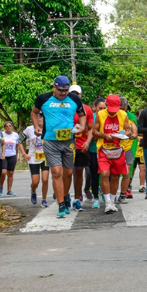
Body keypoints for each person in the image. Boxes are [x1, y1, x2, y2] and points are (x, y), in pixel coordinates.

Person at [32, 76, 87, 219]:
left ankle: (65, 194)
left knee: (68, 173)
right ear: (54, 87)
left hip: (68, 141)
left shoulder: (74, 99)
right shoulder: (43, 99)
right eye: (61, 90)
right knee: (56, 172)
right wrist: (36, 126)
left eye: (66, 90)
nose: (63, 93)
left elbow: (82, 115)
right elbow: (34, 112)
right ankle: (61, 203)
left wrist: (81, 127)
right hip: (50, 141)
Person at [92, 94, 132, 214]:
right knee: (104, 173)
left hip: (118, 149)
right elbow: (94, 131)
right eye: (111, 110)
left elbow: (128, 130)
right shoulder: (100, 114)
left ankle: (112, 201)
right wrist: (105, 135)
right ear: (107, 105)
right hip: (104, 148)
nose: (113, 113)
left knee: (115, 176)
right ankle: (108, 202)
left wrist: (124, 133)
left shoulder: (123, 114)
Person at [70, 85, 94, 210]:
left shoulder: (87, 109)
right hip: (65, 144)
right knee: (65, 172)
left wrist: (88, 142)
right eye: (72, 93)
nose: (75, 95)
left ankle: (77, 198)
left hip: (81, 145)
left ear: (81, 95)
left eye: (77, 93)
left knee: (79, 171)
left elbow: (90, 129)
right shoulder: (64, 107)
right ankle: (63, 196)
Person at [22, 115, 50, 207]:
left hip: (45, 157)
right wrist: (24, 154)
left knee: (45, 179)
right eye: (38, 117)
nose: (40, 119)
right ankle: (33, 191)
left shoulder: (48, 128)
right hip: (33, 158)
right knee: (35, 181)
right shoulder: (29, 129)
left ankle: (44, 199)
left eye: (42, 117)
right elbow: (19, 140)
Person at [87, 98, 106, 207]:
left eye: (104, 108)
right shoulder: (91, 118)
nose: (102, 110)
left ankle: (106, 193)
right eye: (100, 108)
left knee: (106, 174)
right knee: (94, 174)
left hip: (106, 150)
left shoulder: (108, 116)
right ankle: (95, 197)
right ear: (94, 108)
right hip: (93, 150)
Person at [0, 121, 23, 197]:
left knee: (11, 173)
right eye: (7, 126)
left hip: (12, 156)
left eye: (10, 126)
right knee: (3, 172)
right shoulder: (2, 134)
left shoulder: (15, 135)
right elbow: (0, 144)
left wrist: (16, 154)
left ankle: (9, 190)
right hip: (4, 156)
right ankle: (1, 187)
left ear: (12, 127)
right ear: (4, 127)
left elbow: (17, 145)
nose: (8, 127)